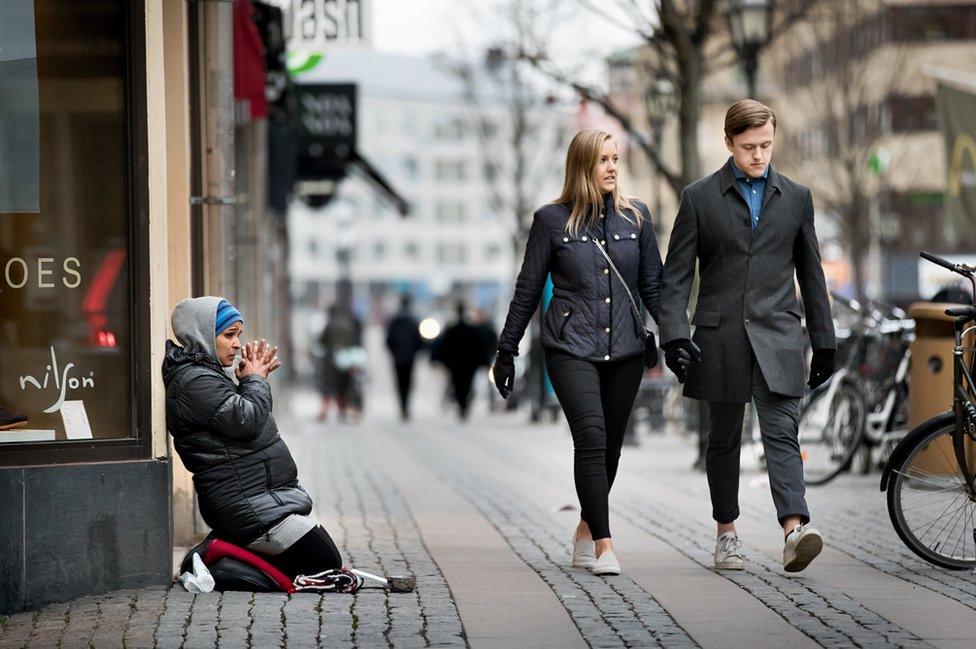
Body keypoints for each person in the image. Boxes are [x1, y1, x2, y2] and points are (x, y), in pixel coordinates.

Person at [659, 100, 836, 574]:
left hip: (779, 334)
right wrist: (674, 337)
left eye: (766, 146)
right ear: (729, 143)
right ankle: (727, 535)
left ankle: (794, 530)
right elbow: (676, 277)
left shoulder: (797, 197)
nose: (759, 155)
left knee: (782, 431)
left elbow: (812, 274)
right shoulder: (699, 198)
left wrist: (825, 340)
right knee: (723, 439)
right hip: (717, 339)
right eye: (748, 147)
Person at [491, 128, 663, 576]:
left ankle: (587, 527)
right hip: (570, 348)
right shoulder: (551, 220)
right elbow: (527, 291)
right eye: (601, 160)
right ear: (582, 166)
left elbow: (654, 289)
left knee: (610, 450)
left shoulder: (637, 218)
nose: (611, 167)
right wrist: (505, 351)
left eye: (614, 158)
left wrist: (679, 337)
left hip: (625, 348)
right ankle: (606, 546)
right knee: (590, 436)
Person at [163, 296, 343, 580]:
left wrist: (251, 380)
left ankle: (222, 549)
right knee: (324, 563)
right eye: (228, 335)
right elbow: (247, 420)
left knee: (323, 562)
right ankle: (213, 564)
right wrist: (255, 380)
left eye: (239, 335)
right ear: (202, 335)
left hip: (260, 501)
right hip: (248, 506)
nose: (236, 344)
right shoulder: (194, 382)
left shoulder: (205, 374)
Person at [435, 302, 490, 420]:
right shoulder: (471, 329)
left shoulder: (452, 329)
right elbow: (479, 347)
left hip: (456, 364)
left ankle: (462, 406)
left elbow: (443, 347)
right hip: (467, 364)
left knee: (459, 386)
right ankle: (463, 406)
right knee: (466, 386)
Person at [317, 301, 365, 422]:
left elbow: (322, 340)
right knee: (348, 385)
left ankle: (326, 411)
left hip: (331, 360)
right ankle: (351, 409)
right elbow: (357, 340)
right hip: (349, 361)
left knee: (330, 386)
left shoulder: (330, 324)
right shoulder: (350, 323)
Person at [385, 294, 425, 420]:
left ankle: (402, 406)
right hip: (409, 357)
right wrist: (416, 351)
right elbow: (419, 340)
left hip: (398, 357)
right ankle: (405, 406)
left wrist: (394, 352)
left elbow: (388, 340)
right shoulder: (413, 320)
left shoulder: (394, 320)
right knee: (408, 383)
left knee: (400, 383)